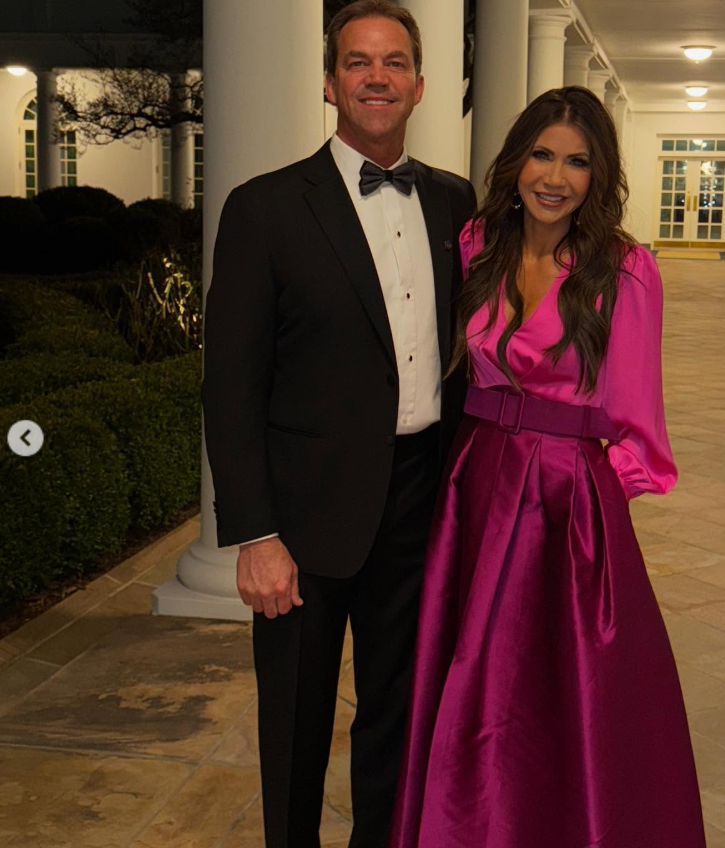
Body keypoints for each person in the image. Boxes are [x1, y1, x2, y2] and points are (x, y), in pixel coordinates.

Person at [389, 86, 706, 847]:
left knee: (565, 687)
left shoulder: (625, 271)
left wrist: (595, 506)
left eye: (577, 161)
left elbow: (639, 420)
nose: (555, 176)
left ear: (599, 177)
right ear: (516, 158)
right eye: (542, 153)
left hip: (568, 498)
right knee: (471, 677)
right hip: (476, 478)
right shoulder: (476, 245)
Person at [201, 2, 476, 846]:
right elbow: (230, 386)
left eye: (394, 62)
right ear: (330, 83)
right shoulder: (264, 209)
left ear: (420, 85)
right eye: (357, 62)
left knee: (397, 715)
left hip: (419, 503)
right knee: (294, 723)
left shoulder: (455, 204)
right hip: (305, 516)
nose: (376, 77)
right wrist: (255, 533)